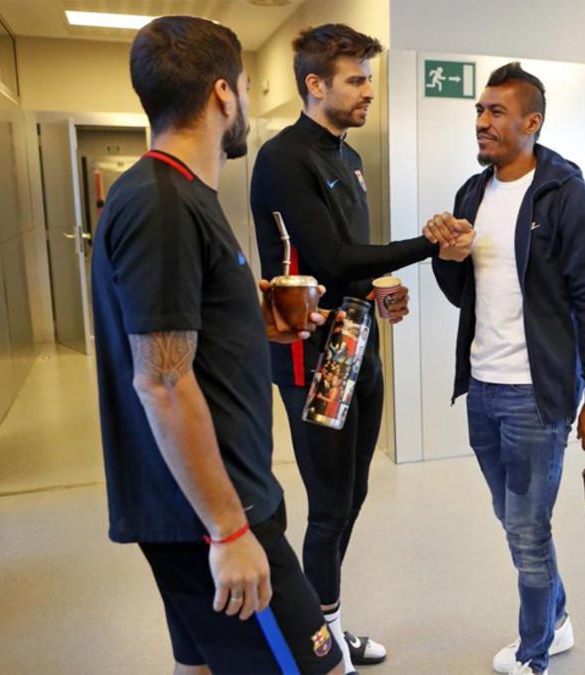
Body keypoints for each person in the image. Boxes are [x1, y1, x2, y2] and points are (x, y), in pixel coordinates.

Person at [91, 16, 344, 674]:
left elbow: (182, 330)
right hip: (212, 512)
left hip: (203, 505)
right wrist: (230, 531)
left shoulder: (185, 196)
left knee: (200, 667)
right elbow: (163, 380)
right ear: (223, 94)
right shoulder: (161, 203)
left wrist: (254, 318)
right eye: (246, 87)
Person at [249, 23, 472, 672]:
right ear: (315, 85)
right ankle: (317, 644)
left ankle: (329, 622)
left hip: (357, 342)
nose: (368, 91)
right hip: (310, 354)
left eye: (369, 78)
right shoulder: (285, 158)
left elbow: (355, 264)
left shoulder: (348, 157)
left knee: (354, 495)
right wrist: (429, 244)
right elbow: (332, 256)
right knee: (325, 507)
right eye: (355, 79)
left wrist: (382, 286)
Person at [430, 62, 585, 675]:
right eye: (480, 111)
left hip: (538, 397)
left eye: (496, 112)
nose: (482, 122)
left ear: (531, 122)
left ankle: (535, 654)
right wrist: (446, 255)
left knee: (528, 533)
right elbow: (462, 294)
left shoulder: (569, 197)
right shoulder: (471, 193)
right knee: (513, 523)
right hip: (482, 390)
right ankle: (557, 618)